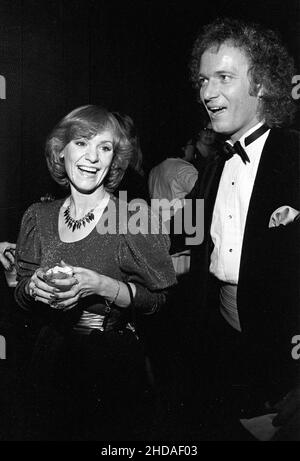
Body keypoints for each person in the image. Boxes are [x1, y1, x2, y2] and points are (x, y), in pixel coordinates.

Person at [14, 105, 176, 440]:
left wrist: (101, 285)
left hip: (110, 366)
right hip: (50, 360)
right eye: (81, 143)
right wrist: (32, 289)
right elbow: (21, 293)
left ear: (115, 161)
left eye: (104, 148)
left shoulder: (132, 217)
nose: (93, 157)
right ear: (61, 152)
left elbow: (159, 300)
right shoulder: (38, 216)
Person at [187, 17, 299, 439]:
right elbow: (179, 229)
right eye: (202, 80)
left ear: (264, 84)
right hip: (221, 348)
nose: (207, 93)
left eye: (224, 78)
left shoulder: (295, 155)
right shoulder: (214, 164)